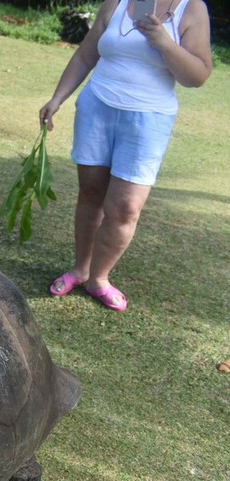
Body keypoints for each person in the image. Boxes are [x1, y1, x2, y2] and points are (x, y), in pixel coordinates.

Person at [39, 0, 212, 311]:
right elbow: (84, 56)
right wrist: (57, 98)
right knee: (91, 194)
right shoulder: (116, 3)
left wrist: (162, 41)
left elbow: (197, 75)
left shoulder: (192, 8)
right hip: (97, 109)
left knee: (125, 207)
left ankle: (99, 279)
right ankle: (81, 269)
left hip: (148, 121)